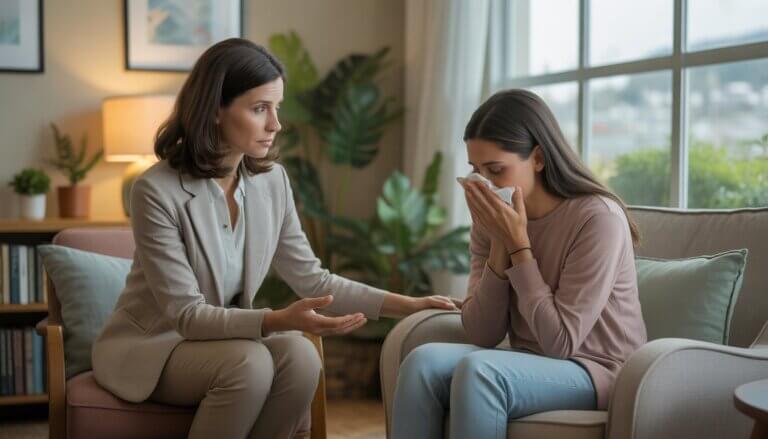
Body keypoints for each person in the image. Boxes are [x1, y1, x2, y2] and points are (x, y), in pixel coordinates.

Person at [91, 38, 457, 439]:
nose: (275, 124)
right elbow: (187, 316)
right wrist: (278, 320)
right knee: (249, 363)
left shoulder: (271, 182)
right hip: (155, 349)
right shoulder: (156, 191)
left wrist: (410, 305)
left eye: (276, 108)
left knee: (301, 356)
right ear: (214, 109)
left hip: (226, 343)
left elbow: (314, 279)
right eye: (259, 108)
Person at [390, 89, 647, 439]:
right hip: (529, 360)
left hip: (597, 369)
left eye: (495, 170)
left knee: (480, 372)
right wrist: (499, 244)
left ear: (538, 158)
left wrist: (518, 245)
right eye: (476, 171)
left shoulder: (597, 219)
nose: (484, 185)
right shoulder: (490, 221)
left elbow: (560, 343)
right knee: (421, 363)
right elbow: (482, 333)